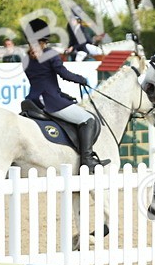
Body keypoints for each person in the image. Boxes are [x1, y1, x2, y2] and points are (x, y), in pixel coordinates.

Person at [22, 18, 103, 171]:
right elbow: (63, 74)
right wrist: (81, 79)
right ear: (44, 38)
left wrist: (63, 95)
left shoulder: (26, 59)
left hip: (33, 100)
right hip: (50, 101)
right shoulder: (49, 53)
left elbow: (42, 81)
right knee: (88, 119)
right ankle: (87, 159)